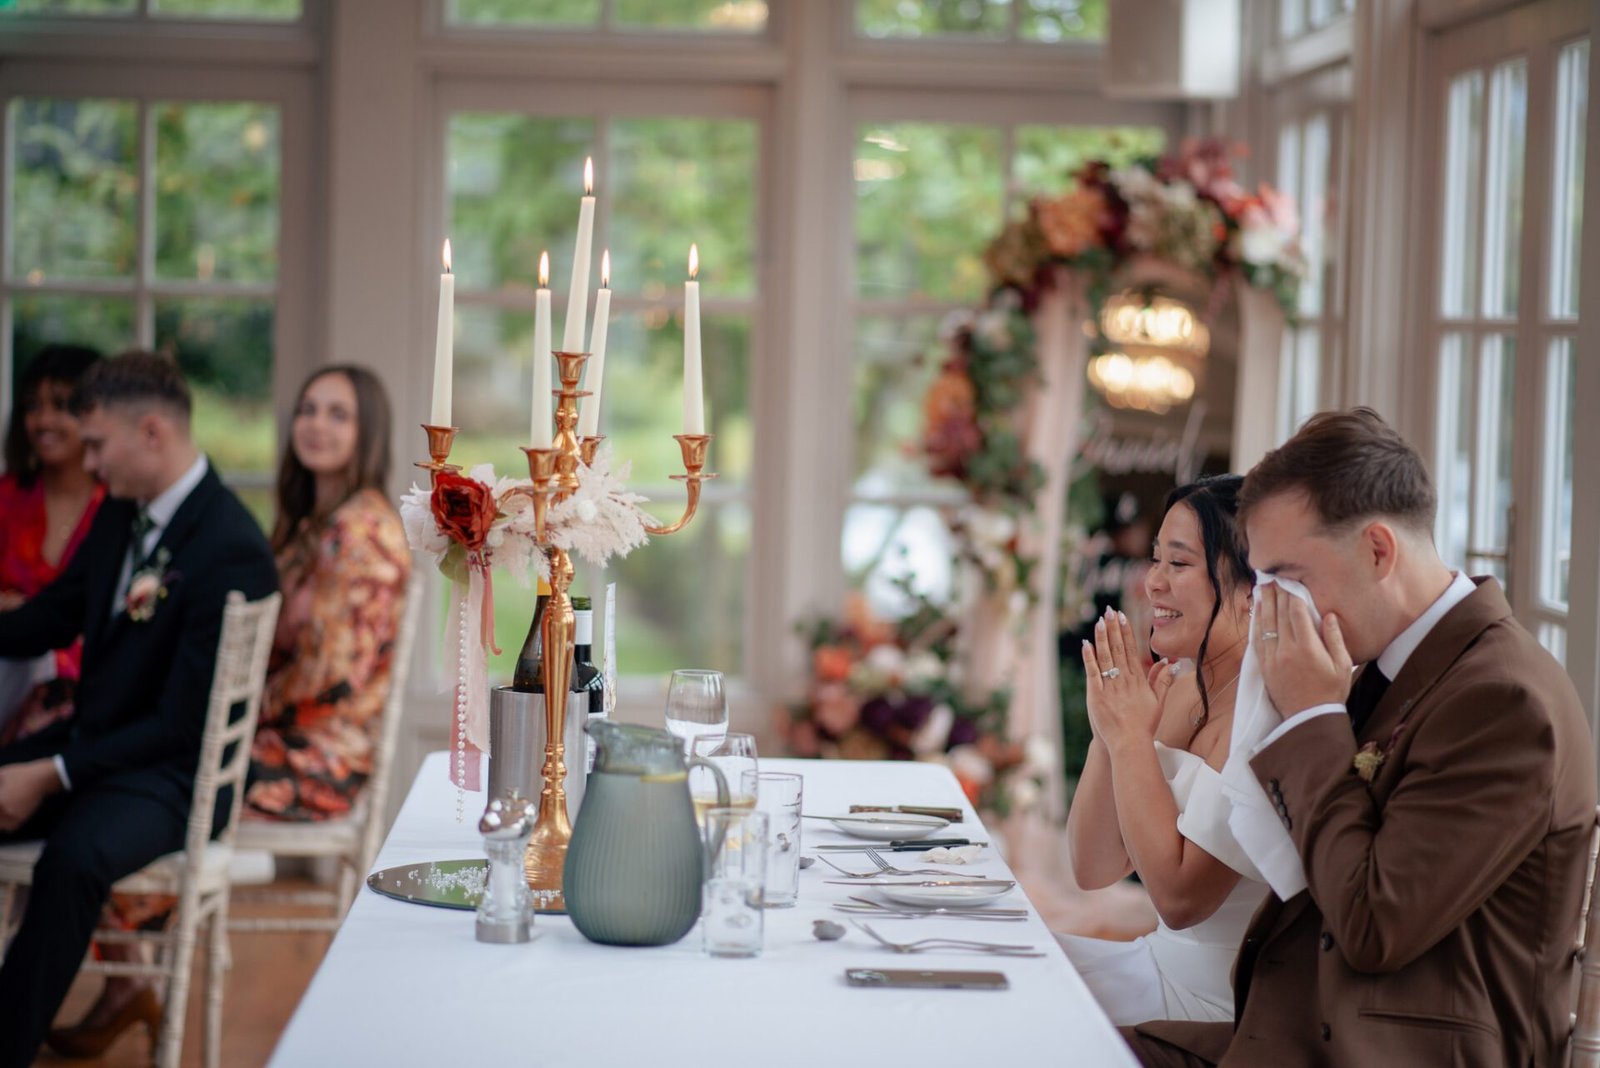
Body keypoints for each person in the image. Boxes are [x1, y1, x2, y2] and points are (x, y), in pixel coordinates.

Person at [1125, 408, 1595, 1067]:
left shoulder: (1502, 700)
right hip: (1291, 1031)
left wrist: (1310, 718)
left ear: (1378, 551)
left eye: (1290, 578)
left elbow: (1373, 925)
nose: (1273, 609)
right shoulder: (1389, 665)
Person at [44, 365, 411, 1057]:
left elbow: (328, 681)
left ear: (368, 431)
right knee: (130, 767)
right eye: (308, 408)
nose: (317, 424)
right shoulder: (307, 524)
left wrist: (227, 706)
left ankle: (129, 975)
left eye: (338, 414)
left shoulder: (361, 532)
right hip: (275, 734)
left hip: (319, 756)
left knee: (142, 789)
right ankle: (130, 979)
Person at [0, 351, 278, 1068]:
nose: (87, 462)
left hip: (175, 777)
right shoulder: (123, 513)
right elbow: (53, 615)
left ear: (151, 432)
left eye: (96, 444)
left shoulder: (230, 548)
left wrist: (50, 773)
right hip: (103, 745)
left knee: (73, 860)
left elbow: (181, 727)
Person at [1062, 475, 1267, 1025]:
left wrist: (1132, 738)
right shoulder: (1178, 684)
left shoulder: (1265, 710)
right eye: (1155, 560)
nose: (1152, 582)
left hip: (1216, 1010)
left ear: (1251, 588)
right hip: (1153, 966)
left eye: (1178, 564)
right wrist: (1109, 734)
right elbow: (1093, 867)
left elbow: (1179, 902)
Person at [0, 345, 106, 744]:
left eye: (62, 406)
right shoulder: (8, 497)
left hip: (85, 692)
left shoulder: (116, 509)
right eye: (33, 406)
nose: (43, 420)